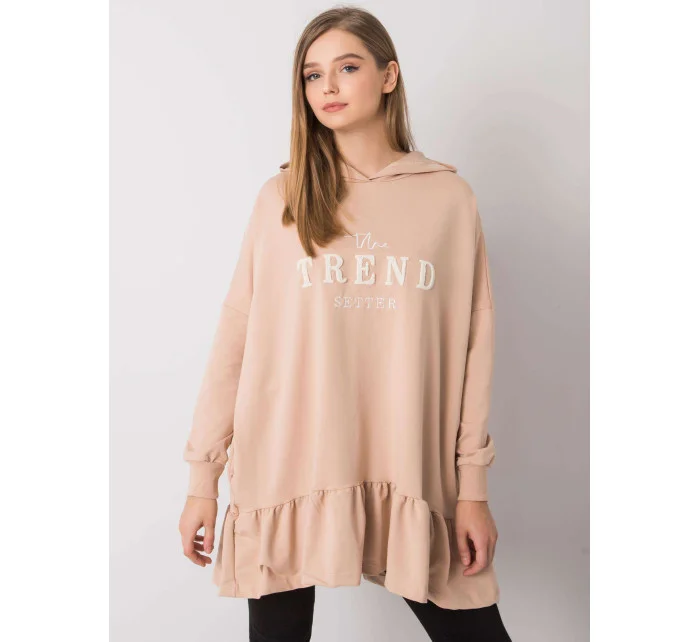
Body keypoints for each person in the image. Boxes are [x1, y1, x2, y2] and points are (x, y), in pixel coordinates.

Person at [178, 6, 512, 641]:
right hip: (287, 468)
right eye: (312, 74)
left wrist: (473, 489)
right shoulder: (282, 198)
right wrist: (203, 480)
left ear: (389, 76)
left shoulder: (449, 199)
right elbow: (236, 338)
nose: (327, 87)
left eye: (347, 67)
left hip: (407, 468)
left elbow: (476, 348)